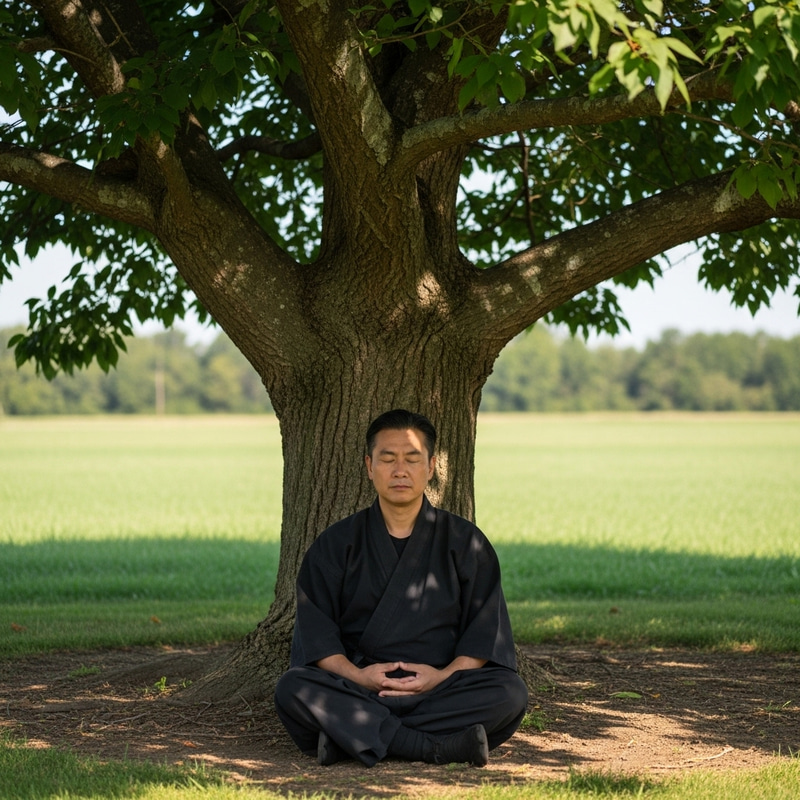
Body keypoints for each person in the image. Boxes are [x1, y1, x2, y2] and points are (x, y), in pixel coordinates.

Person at [274, 409, 528, 767]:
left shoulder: (465, 542)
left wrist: (440, 676)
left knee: (508, 692)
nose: (399, 470)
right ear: (369, 466)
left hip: (438, 690)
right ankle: (433, 747)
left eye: (412, 459)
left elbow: (485, 635)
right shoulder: (335, 544)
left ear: (431, 467)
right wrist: (359, 676)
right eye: (387, 459)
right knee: (294, 687)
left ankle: (351, 736)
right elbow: (317, 637)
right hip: (360, 689)